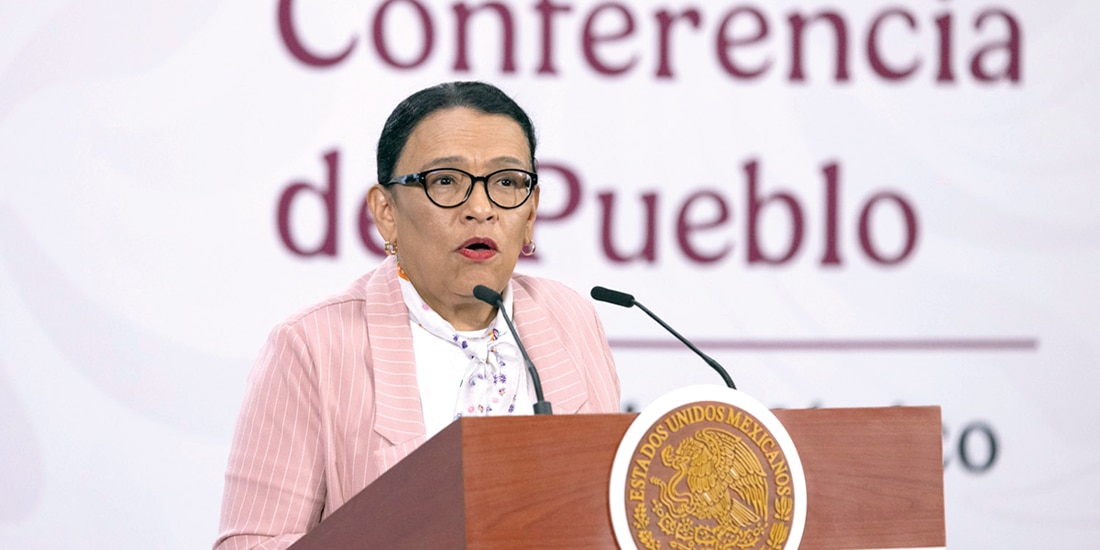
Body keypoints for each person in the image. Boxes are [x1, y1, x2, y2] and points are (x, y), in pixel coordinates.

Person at [213, 81, 621, 549]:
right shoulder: (310, 346)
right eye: (446, 181)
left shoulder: (572, 320)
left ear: (530, 215)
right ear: (386, 212)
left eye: (507, 182)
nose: (482, 209)